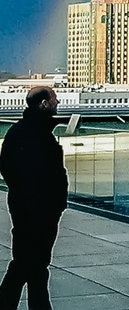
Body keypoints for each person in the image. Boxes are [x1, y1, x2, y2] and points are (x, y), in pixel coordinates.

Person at [0, 86, 68, 310]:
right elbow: (46, 173)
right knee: (29, 265)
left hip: (27, 208)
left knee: (32, 265)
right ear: (44, 104)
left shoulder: (19, 132)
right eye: (54, 99)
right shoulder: (38, 135)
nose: (58, 102)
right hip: (38, 212)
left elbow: (8, 168)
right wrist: (51, 204)